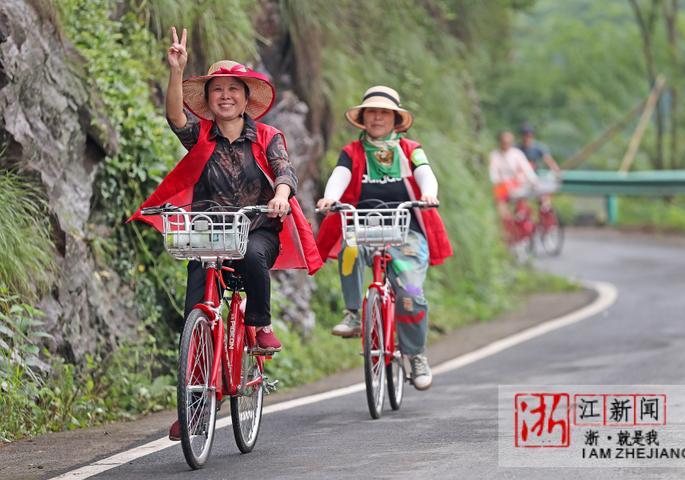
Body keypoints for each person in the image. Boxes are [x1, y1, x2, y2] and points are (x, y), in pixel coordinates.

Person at [129, 28, 322, 439]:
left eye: (233, 89)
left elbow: (284, 170)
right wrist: (176, 71)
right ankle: (195, 406)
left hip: (256, 229)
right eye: (218, 90)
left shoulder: (268, 136)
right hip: (208, 235)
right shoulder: (200, 135)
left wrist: (282, 196)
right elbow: (174, 116)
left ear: (246, 98)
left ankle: (260, 323)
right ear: (210, 99)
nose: (226, 96)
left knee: (253, 256)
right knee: (196, 313)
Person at [316, 86, 453, 391]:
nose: (377, 117)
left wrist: (429, 193)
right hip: (364, 229)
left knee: (411, 295)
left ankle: (415, 355)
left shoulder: (410, 149)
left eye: (384, 112)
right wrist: (330, 198)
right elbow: (340, 175)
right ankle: (353, 313)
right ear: (363, 118)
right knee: (349, 250)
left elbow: (424, 172)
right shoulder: (352, 152)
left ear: (395, 118)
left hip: (407, 232)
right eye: (371, 112)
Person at [488, 130, 539, 240]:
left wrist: (533, 181)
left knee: (525, 206)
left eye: (508, 142)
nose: (506, 144)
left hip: (517, 187)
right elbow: (493, 173)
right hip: (502, 187)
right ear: (500, 142)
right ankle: (506, 228)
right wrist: (499, 183)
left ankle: (526, 225)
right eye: (504, 142)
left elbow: (526, 169)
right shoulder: (495, 155)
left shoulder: (517, 154)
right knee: (501, 205)